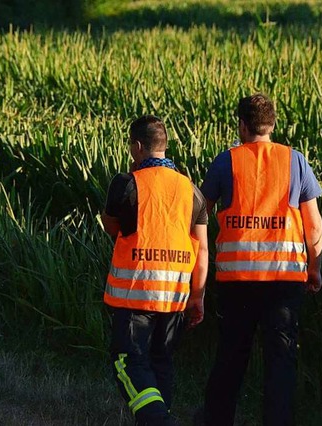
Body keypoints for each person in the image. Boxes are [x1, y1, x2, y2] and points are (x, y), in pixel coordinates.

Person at [199, 93, 322, 426]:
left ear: (242, 125)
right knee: (281, 362)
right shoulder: (296, 161)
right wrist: (315, 268)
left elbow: (199, 213)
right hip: (284, 282)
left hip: (237, 284)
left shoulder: (226, 161)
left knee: (231, 357)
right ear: (272, 124)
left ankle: (215, 421)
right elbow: (313, 223)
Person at [102, 115, 209, 426]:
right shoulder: (191, 190)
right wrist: (198, 296)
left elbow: (111, 227)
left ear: (137, 147)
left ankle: (159, 421)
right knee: (161, 361)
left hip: (135, 293)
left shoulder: (126, 184)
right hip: (176, 296)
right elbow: (202, 249)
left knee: (127, 362)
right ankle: (161, 418)